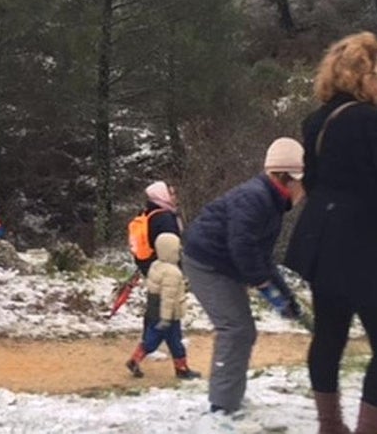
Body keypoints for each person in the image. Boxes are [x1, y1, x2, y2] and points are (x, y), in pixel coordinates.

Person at [284, 32, 377, 434]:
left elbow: (312, 179)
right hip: (371, 250)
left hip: (324, 244)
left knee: (329, 336)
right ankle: (368, 428)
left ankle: (330, 426)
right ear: (363, 75)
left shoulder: (317, 121)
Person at [182, 137, 307, 419]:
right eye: (304, 183)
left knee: (242, 330)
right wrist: (264, 286)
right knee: (236, 329)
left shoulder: (271, 203)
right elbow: (242, 247)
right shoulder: (256, 197)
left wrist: (285, 297)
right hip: (206, 263)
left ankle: (229, 399)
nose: (305, 192)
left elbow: (263, 257)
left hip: (223, 264)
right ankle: (221, 408)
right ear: (289, 177)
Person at [126, 232, 200, 380]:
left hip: (154, 310)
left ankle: (137, 359)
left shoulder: (156, 265)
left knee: (166, 341)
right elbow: (168, 297)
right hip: (168, 314)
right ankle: (181, 369)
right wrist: (166, 318)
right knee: (163, 342)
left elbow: (154, 288)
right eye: (177, 250)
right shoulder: (173, 273)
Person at [132, 181, 183, 276]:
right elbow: (171, 249)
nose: (174, 197)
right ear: (162, 195)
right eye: (171, 193)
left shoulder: (147, 213)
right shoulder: (164, 218)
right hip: (164, 268)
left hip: (149, 264)